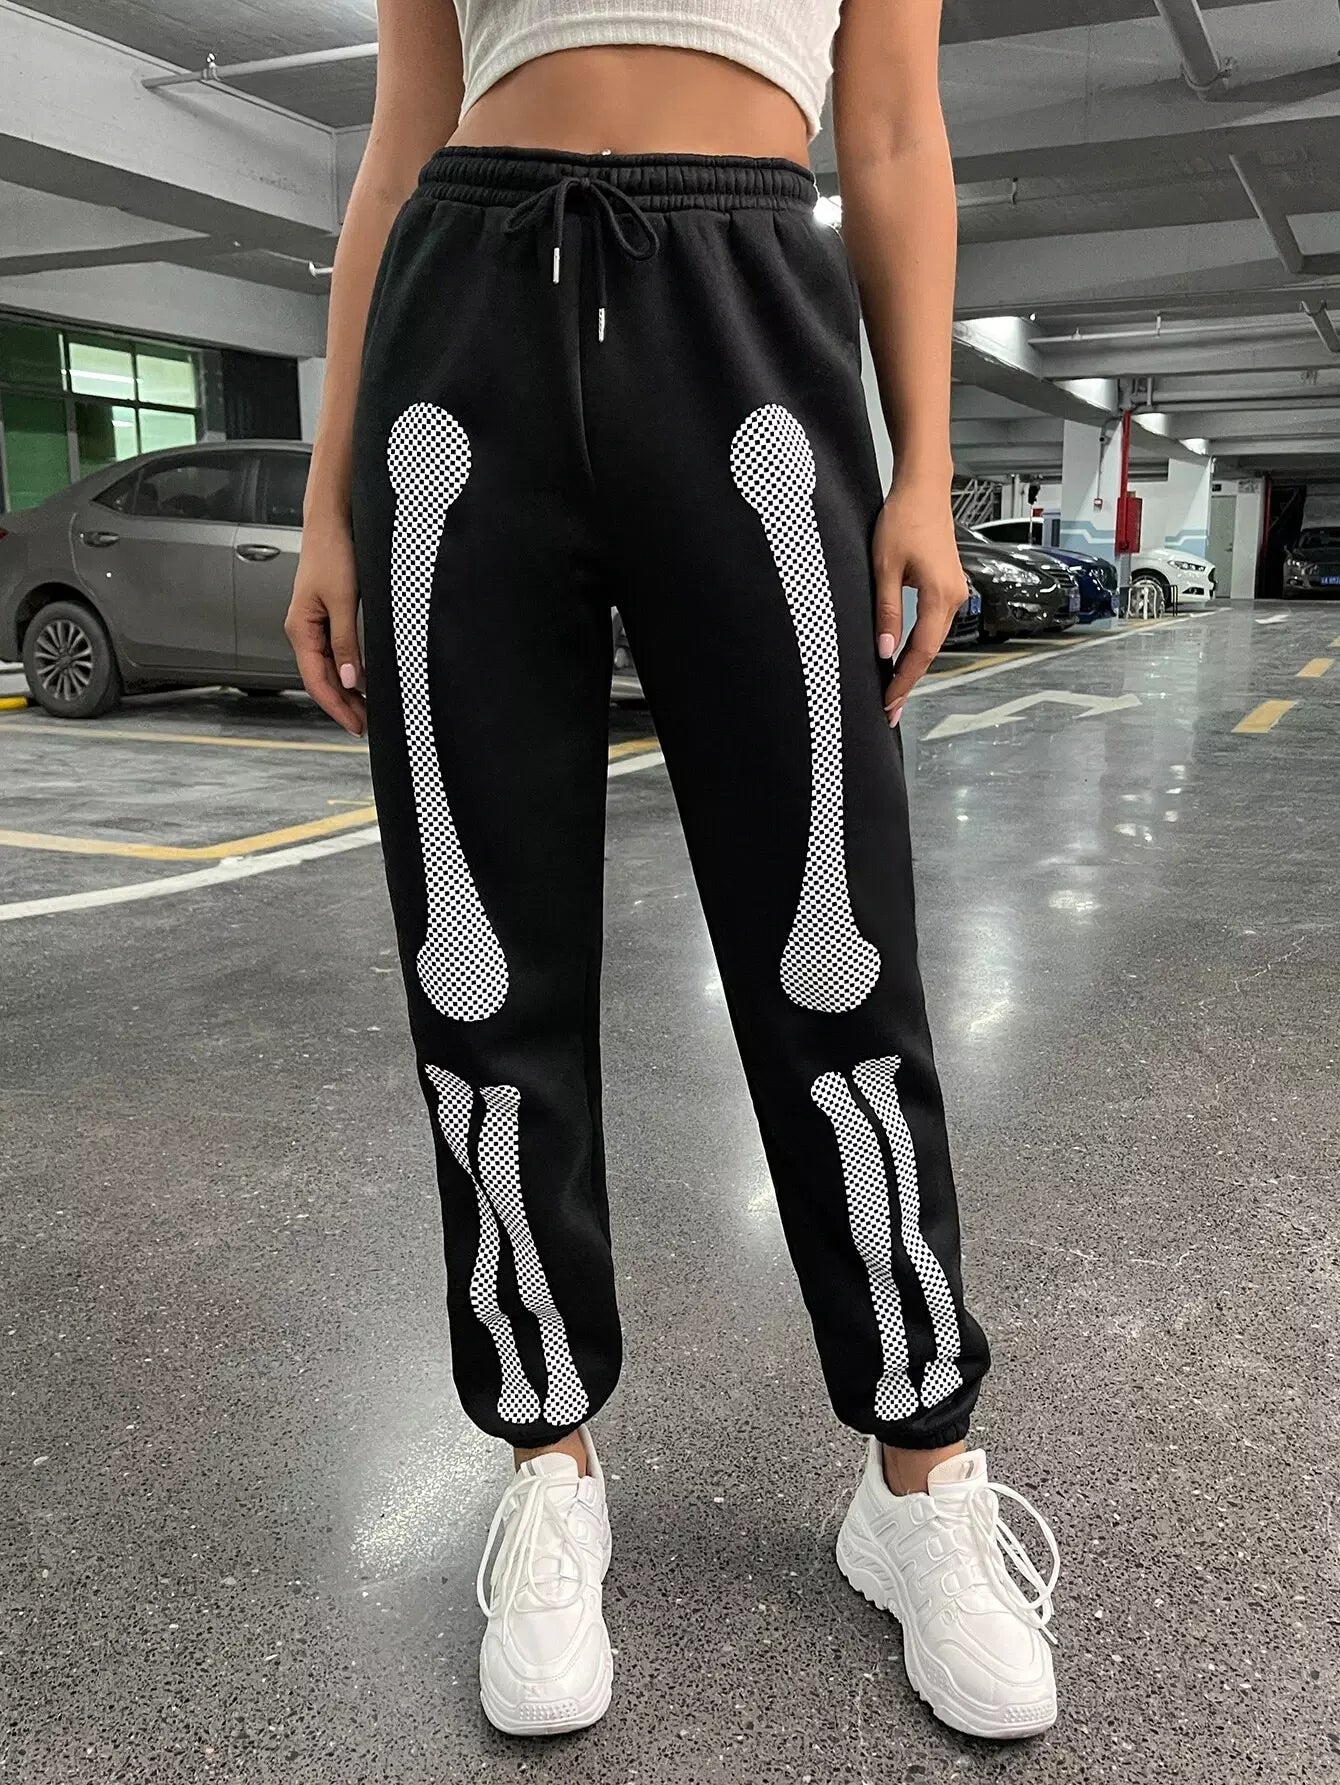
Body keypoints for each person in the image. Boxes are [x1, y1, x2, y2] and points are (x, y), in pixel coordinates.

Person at [286, 0, 1061, 1743]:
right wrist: (331, 494)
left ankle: (920, 1467)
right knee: (475, 941)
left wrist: (925, 465)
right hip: (461, 315)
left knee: (832, 930)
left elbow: (891, 129)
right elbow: (402, 133)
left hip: (746, 303)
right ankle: (548, 1455)